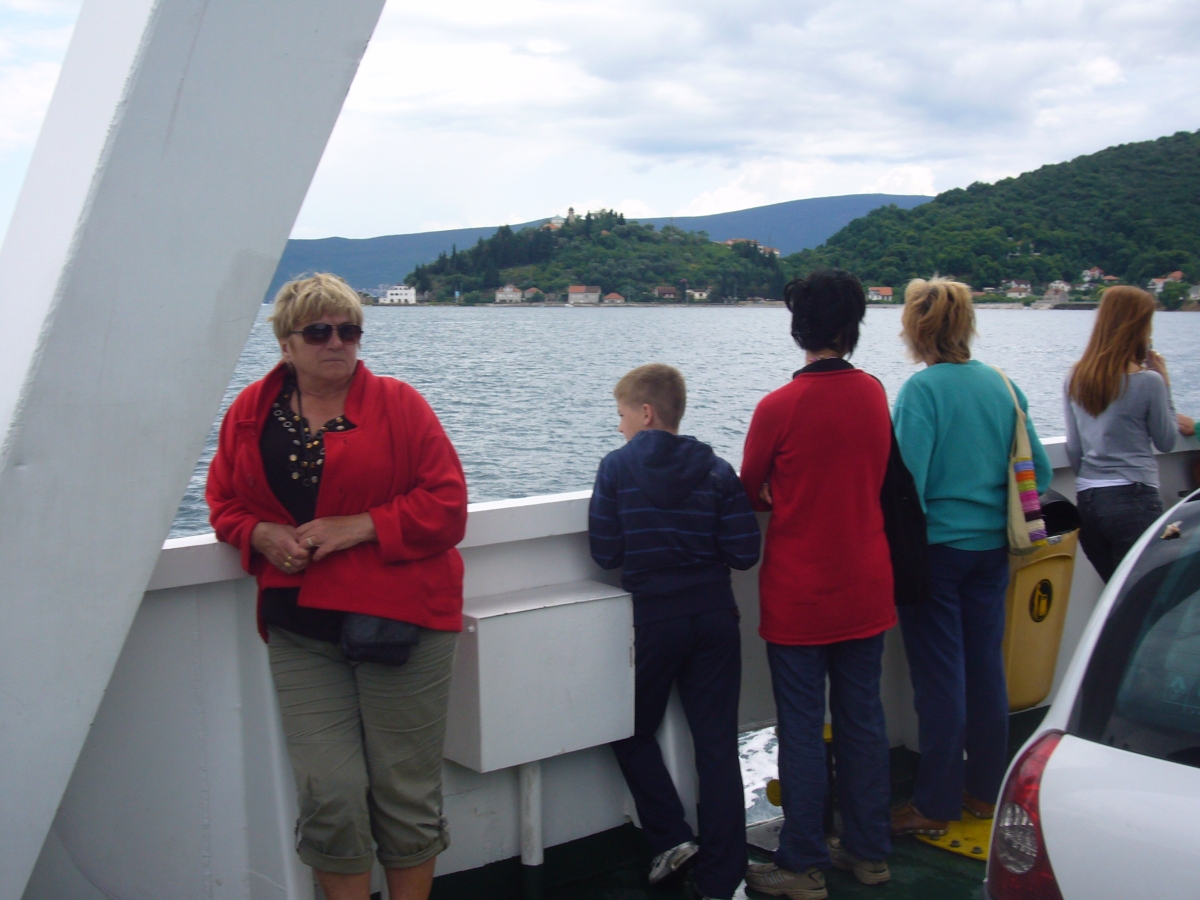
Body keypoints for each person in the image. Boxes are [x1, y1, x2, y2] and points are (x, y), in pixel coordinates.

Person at [207, 274, 468, 900]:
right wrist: (260, 533)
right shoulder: (250, 414)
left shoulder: (399, 404)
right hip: (300, 628)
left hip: (399, 623)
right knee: (330, 793)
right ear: (286, 343)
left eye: (349, 331)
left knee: (405, 792)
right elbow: (223, 502)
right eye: (319, 332)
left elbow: (448, 505)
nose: (337, 343)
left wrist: (363, 526)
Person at [740, 269, 896, 900]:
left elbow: (748, 490)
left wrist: (777, 492)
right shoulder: (874, 394)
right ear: (852, 326)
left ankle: (802, 864)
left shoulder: (778, 407)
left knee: (802, 727)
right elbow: (873, 474)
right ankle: (869, 851)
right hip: (866, 583)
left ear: (798, 328)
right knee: (863, 719)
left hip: (800, 594)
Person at [588, 363, 761, 900]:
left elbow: (606, 552)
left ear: (645, 412)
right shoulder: (718, 470)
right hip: (714, 618)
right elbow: (744, 552)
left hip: (656, 621)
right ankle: (722, 879)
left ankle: (671, 838)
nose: (618, 425)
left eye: (621, 414)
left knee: (627, 728)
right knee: (716, 748)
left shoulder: (616, 469)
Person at [889, 277, 1051, 837]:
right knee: (985, 670)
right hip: (993, 553)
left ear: (916, 328)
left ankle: (934, 805)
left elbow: (908, 486)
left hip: (937, 554)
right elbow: (1040, 473)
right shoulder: (1004, 386)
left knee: (940, 680)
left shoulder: (922, 392)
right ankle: (985, 791)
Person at [1064, 285, 1192, 582]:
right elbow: (1166, 441)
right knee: (1142, 595)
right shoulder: (1149, 382)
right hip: (1133, 498)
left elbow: (1074, 448)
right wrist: (1165, 383)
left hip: (1088, 501)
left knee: (1116, 592)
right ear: (1139, 327)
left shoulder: (1075, 378)